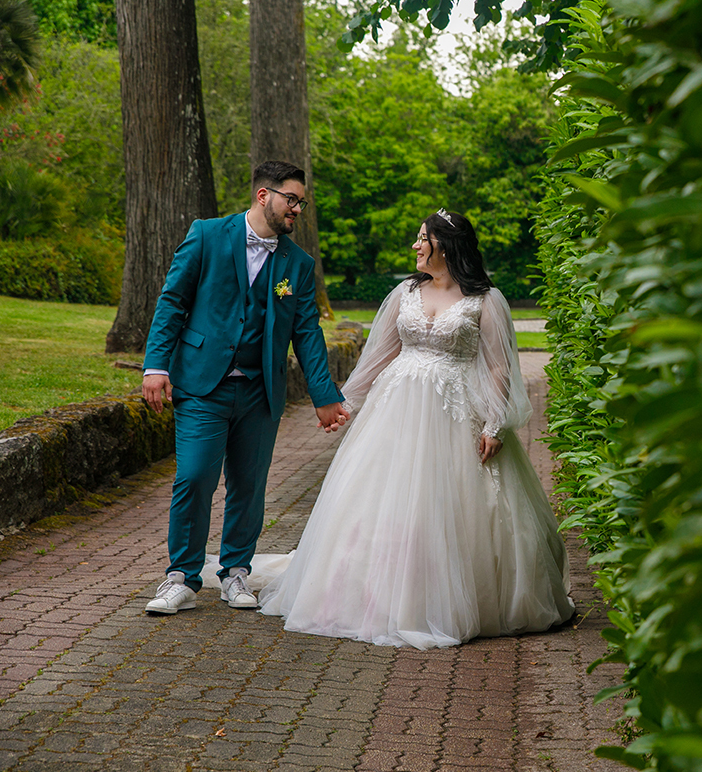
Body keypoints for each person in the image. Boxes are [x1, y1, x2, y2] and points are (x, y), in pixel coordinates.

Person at [257, 209, 575, 649]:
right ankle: (370, 593)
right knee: (382, 497)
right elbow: (379, 355)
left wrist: (495, 424)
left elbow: (498, 367)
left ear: (446, 245)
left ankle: (450, 596)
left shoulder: (485, 300)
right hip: (396, 410)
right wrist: (344, 404)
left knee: (452, 502)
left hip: (455, 413)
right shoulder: (405, 291)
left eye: (423, 238)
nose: (416, 246)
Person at [141, 160, 349, 615]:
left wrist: (325, 396)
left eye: (301, 202)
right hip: (202, 384)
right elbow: (172, 302)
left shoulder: (298, 263)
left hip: (260, 392)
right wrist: (156, 365)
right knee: (194, 476)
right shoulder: (207, 235)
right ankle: (180, 578)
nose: (297, 209)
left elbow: (307, 333)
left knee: (249, 485)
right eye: (291, 199)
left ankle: (235, 572)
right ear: (263, 195)